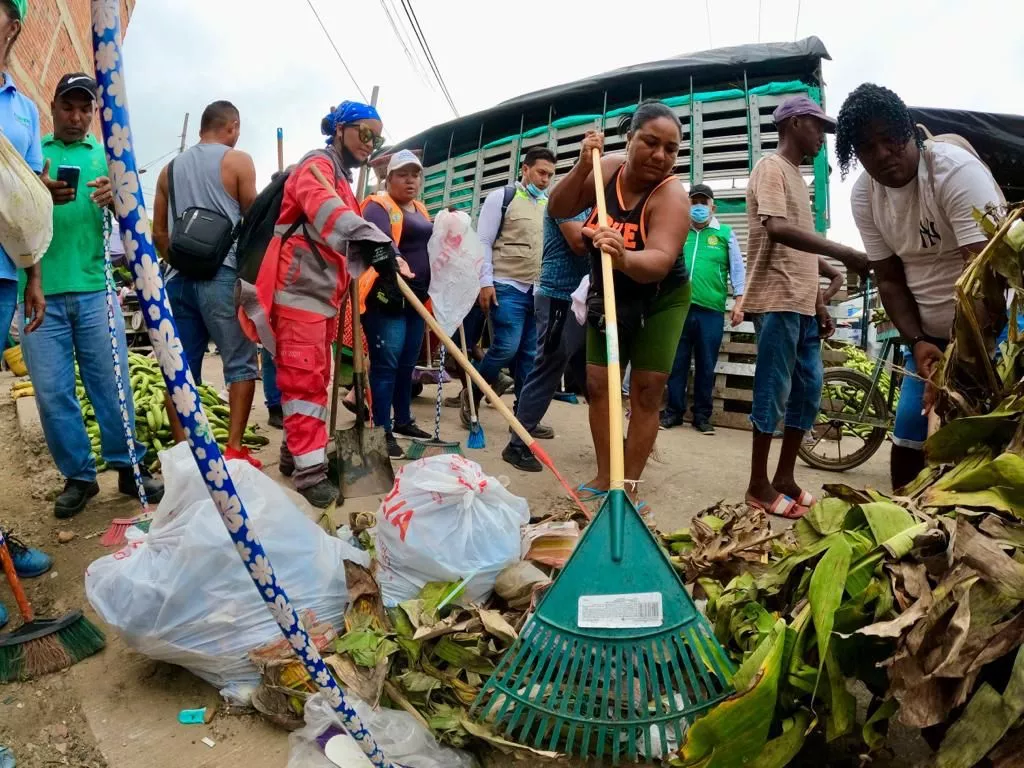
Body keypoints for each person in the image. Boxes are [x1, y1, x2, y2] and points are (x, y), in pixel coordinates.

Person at [838, 83, 1005, 489]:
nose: (881, 154)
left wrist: (959, 359)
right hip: (928, 338)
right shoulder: (865, 195)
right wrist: (917, 342)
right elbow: (890, 278)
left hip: (994, 332)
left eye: (890, 139)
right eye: (866, 147)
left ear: (910, 132)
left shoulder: (954, 173)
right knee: (911, 439)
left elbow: (989, 275)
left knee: (985, 441)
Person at [238, 101, 401, 508]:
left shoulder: (342, 178)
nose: (370, 143)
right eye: (365, 133)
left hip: (322, 298)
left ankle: (296, 454)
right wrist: (372, 241)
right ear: (341, 129)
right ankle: (310, 473)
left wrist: (378, 257)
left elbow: (339, 231)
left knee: (313, 376)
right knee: (304, 381)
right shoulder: (316, 166)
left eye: (377, 137)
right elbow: (326, 211)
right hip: (299, 295)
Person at [20, 73, 164, 518]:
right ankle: (79, 477)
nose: (77, 117)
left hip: (95, 291)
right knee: (52, 393)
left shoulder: (107, 156)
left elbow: (135, 221)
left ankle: (127, 464)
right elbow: (13, 216)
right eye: (69, 107)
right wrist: (39, 194)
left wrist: (116, 197)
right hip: (37, 294)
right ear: (54, 106)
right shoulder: (32, 153)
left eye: (86, 109)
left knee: (111, 382)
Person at [548, 101, 692, 510]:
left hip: (661, 297)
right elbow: (558, 208)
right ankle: (604, 473)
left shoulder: (672, 196)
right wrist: (581, 166)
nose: (660, 156)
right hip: (609, 291)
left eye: (671, 148)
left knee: (646, 391)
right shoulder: (605, 168)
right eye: (650, 142)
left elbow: (660, 261)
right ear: (629, 140)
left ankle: (626, 485)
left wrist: (624, 256)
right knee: (599, 384)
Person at [742, 95, 868, 519]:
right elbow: (777, 230)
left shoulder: (798, 178)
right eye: (818, 128)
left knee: (808, 393)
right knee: (773, 391)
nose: (822, 138)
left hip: (800, 302)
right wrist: (845, 252)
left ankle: (785, 477)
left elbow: (800, 252)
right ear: (795, 123)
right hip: (776, 299)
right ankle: (758, 484)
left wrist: (821, 299)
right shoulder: (771, 169)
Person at [152, 100, 262, 468]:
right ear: (232, 125)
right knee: (241, 363)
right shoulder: (238, 161)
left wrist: (180, 264)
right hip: (221, 277)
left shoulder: (168, 170)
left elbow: (159, 233)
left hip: (178, 281)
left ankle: (186, 454)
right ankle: (233, 450)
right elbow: (254, 221)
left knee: (181, 369)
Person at [461, 147, 557, 432]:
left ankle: (524, 417)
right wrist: (485, 282)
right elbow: (484, 242)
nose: (545, 180)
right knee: (506, 347)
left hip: (537, 290)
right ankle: (473, 393)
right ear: (525, 169)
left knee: (529, 354)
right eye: (541, 172)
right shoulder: (502, 198)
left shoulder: (548, 205)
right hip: (506, 284)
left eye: (550, 175)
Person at [501, 202, 592, 471]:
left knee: (591, 377)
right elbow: (578, 242)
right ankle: (517, 445)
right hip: (559, 298)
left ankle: (610, 444)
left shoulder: (594, 208)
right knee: (547, 370)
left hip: (584, 299)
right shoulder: (571, 199)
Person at [360, 149, 435, 458]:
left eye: (415, 174)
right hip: (387, 298)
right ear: (388, 178)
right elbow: (380, 240)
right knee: (386, 366)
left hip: (418, 299)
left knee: (407, 365)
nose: (410, 180)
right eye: (403, 175)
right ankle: (382, 429)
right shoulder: (378, 205)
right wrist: (398, 259)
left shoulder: (420, 208)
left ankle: (403, 420)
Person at [660, 183, 746, 434]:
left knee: (707, 365)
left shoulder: (724, 233)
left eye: (703, 203)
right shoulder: (679, 232)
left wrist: (739, 303)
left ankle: (702, 416)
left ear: (713, 207)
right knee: (677, 362)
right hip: (678, 308)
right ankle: (673, 412)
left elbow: (738, 270)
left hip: (711, 310)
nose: (698, 207)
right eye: (693, 202)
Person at [0, 0, 44, 357]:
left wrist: (35, 278)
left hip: (3, 268)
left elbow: (29, 203)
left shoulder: (24, 109)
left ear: (11, 28)